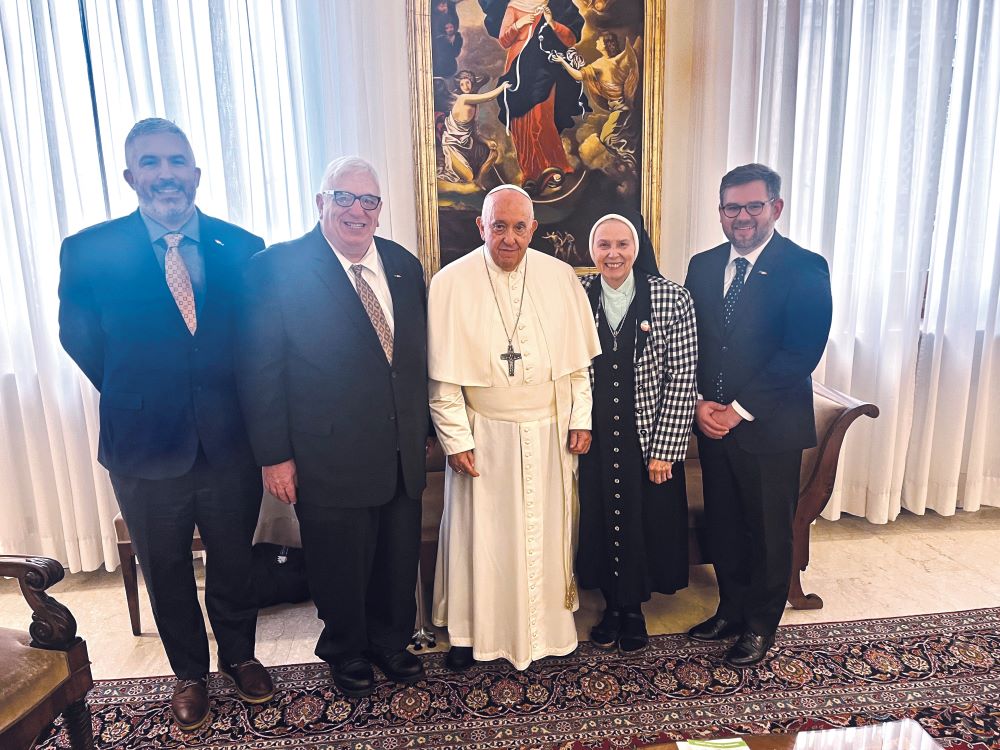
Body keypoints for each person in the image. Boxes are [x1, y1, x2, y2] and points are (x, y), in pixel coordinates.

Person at [58, 118, 273, 730]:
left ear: (196, 173)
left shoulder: (245, 247)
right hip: (143, 445)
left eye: (177, 161)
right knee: (167, 565)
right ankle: (190, 674)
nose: (165, 174)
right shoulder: (89, 250)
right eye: (150, 163)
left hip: (232, 442)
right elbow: (80, 340)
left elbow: (257, 343)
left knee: (234, 559)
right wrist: (139, 394)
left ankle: (241, 655)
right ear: (131, 177)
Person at [236, 156, 430, 698]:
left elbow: (415, 359)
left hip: (398, 452)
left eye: (369, 201)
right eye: (344, 197)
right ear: (321, 202)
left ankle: (390, 642)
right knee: (340, 563)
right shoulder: (277, 267)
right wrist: (274, 455)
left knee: (396, 557)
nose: (357, 211)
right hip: (326, 454)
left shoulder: (402, 264)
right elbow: (260, 368)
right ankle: (345, 650)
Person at [428, 184, 600, 671]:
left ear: (533, 229)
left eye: (518, 227)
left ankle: (545, 630)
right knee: (480, 536)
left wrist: (580, 418)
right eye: (498, 226)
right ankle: (471, 632)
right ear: (480, 226)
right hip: (485, 435)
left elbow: (576, 368)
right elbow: (443, 381)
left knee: (544, 535)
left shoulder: (560, 277)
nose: (508, 237)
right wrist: (457, 439)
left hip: (548, 433)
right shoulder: (450, 282)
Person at [683, 163, 833, 667]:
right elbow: (695, 343)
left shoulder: (805, 267)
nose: (742, 217)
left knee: (768, 531)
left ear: (776, 208)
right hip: (712, 423)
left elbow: (800, 351)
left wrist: (739, 411)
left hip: (770, 427)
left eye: (753, 206)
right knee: (725, 525)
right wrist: (700, 402)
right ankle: (729, 609)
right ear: (720, 212)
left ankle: (760, 626)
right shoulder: (702, 266)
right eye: (732, 208)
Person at [577, 213, 697, 653]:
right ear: (592, 251)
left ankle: (634, 611)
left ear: (637, 247)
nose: (613, 254)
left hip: (646, 436)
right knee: (600, 518)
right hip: (593, 437)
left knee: (642, 519)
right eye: (604, 245)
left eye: (622, 245)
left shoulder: (672, 298)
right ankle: (611, 606)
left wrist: (666, 449)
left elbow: (682, 377)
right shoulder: (576, 296)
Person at [481, 0, 590, 195]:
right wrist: (519, 24)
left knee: (542, 118)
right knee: (520, 122)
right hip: (518, 68)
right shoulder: (514, 6)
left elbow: (571, 38)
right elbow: (504, 40)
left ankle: (554, 166)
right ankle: (529, 174)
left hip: (545, 69)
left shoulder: (553, 5)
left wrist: (552, 22)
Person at [553, 31, 640, 168]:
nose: (596, 42)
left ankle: (627, 163)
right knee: (613, 138)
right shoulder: (615, 61)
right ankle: (625, 163)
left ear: (605, 44)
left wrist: (563, 61)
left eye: (599, 40)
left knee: (607, 137)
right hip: (622, 110)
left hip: (620, 111)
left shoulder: (600, 65)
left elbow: (578, 75)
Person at [438, 71, 509, 188]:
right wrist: (502, 87)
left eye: (468, 83)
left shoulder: (473, 105)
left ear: (471, 83)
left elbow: (474, 133)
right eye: (462, 84)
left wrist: (487, 142)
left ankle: (480, 180)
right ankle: (471, 177)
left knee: (493, 151)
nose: (465, 86)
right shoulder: (463, 99)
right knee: (468, 177)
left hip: (467, 145)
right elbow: (488, 97)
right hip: (453, 146)